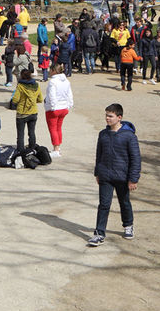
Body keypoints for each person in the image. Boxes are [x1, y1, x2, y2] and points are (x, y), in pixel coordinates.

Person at [86, 103, 141, 247]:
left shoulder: (129, 136)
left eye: (110, 116)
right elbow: (99, 154)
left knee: (124, 202)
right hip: (105, 176)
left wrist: (133, 179)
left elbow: (135, 158)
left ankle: (128, 225)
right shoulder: (103, 134)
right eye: (106, 115)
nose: (107, 118)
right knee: (104, 204)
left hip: (122, 177)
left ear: (119, 117)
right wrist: (97, 172)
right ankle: (99, 234)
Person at [10, 68, 43, 154]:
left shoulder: (20, 86)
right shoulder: (36, 85)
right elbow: (40, 99)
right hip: (33, 112)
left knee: (20, 134)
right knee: (32, 132)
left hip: (22, 113)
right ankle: (32, 148)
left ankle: (20, 151)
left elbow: (15, 99)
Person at [44, 63, 74, 157]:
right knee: (58, 128)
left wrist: (52, 106)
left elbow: (52, 95)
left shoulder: (52, 82)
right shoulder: (66, 81)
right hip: (64, 107)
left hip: (54, 108)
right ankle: (58, 146)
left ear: (54, 71)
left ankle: (56, 149)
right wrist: (69, 104)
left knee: (53, 129)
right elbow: (70, 94)